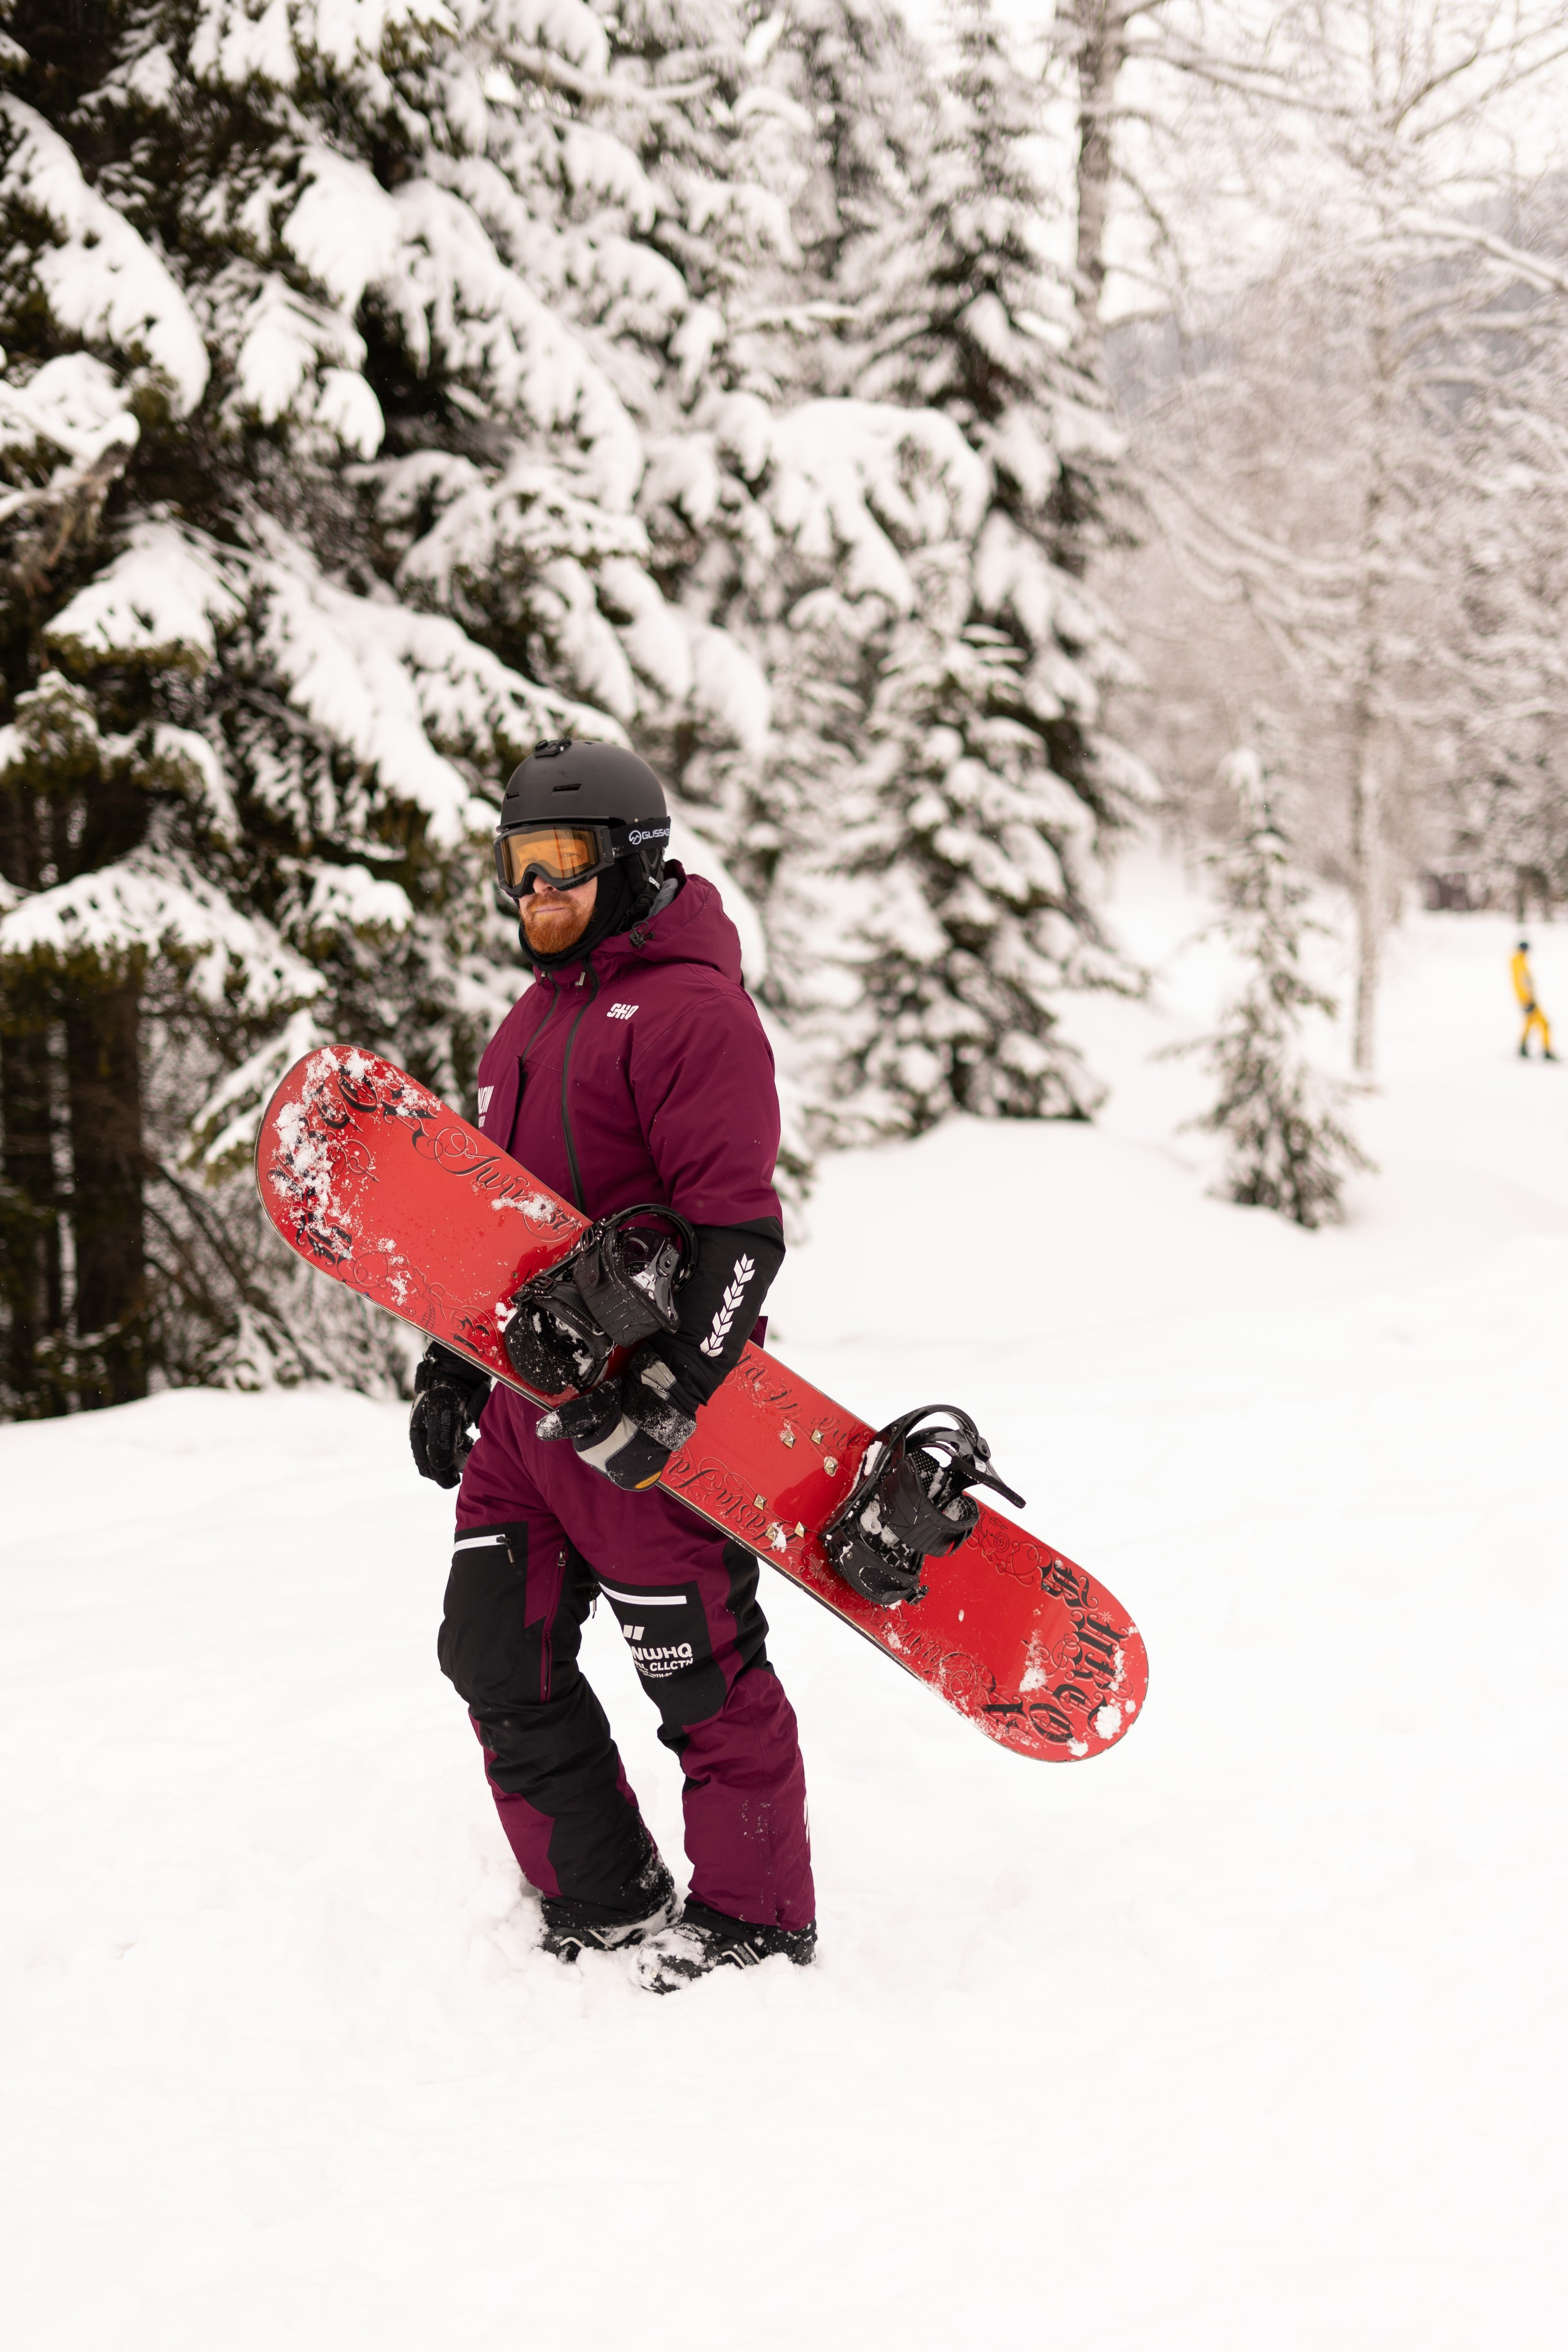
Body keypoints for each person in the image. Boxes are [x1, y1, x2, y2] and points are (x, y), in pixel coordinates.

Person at [407, 739, 816, 1992]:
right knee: (491, 1653)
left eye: (563, 868)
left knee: (700, 1681)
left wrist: (676, 1397)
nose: (536, 896)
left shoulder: (696, 1015)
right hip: (523, 1436)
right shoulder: (521, 1027)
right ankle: (602, 1886)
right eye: (518, 870)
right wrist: (450, 1372)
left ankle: (755, 1922)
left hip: (641, 1435)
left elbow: (739, 1231)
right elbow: (488, 1236)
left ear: (633, 863)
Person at [1510, 938, 1558, 1061]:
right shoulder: (1518, 963)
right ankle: (1547, 1050)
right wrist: (1526, 1000)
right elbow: (1520, 983)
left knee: (1530, 1022)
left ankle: (1522, 1047)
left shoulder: (1520, 961)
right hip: (1528, 999)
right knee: (1544, 1023)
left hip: (1527, 998)